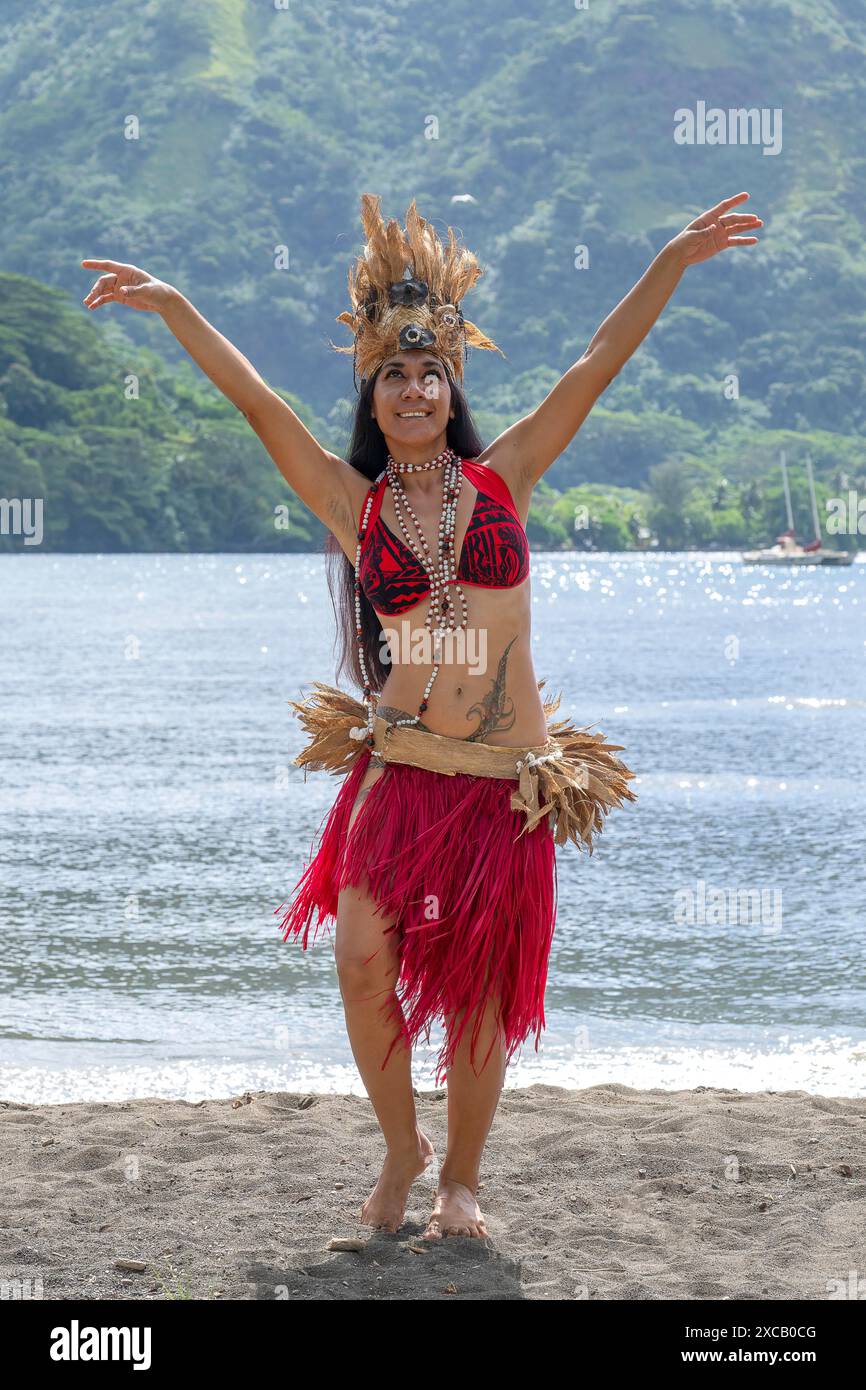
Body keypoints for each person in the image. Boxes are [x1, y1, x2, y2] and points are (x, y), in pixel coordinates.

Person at [81, 188, 761, 1241]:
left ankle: (460, 1178)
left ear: (450, 386)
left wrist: (668, 258)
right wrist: (174, 308)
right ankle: (400, 1146)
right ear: (373, 387)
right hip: (399, 773)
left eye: (428, 372)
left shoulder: (509, 475)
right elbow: (258, 403)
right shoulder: (354, 510)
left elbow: (595, 360)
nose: (411, 388)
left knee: (482, 1000)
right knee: (361, 959)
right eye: (392, 374)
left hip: (500, 786)